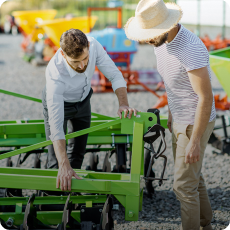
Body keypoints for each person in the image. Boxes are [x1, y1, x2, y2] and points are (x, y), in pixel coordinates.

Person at [124, 0, 216, 229]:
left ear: (167, 26)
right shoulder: (161, 43)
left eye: (151, 34)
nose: (147, 39)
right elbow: (169, 80)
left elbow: (206, 98)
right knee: (193, 177)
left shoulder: (190, 49)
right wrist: (171, 113)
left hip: (196, 121)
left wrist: (195, 140)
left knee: (183, 186)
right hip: (179, 118)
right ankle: (206, 223)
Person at [42, 29, 137, 192]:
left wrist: (123, 103)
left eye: (85, 58)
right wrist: (64, 165)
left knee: (78, 151)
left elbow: (114, 75)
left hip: (84, 100)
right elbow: (56, 129)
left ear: (88, 46)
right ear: (64, 55)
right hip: (60, 104)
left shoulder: (93, 45)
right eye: (76, 62)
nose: (83, 65)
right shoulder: (54, 75)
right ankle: (53, 196)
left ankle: (72, 189)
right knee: (56, 162)